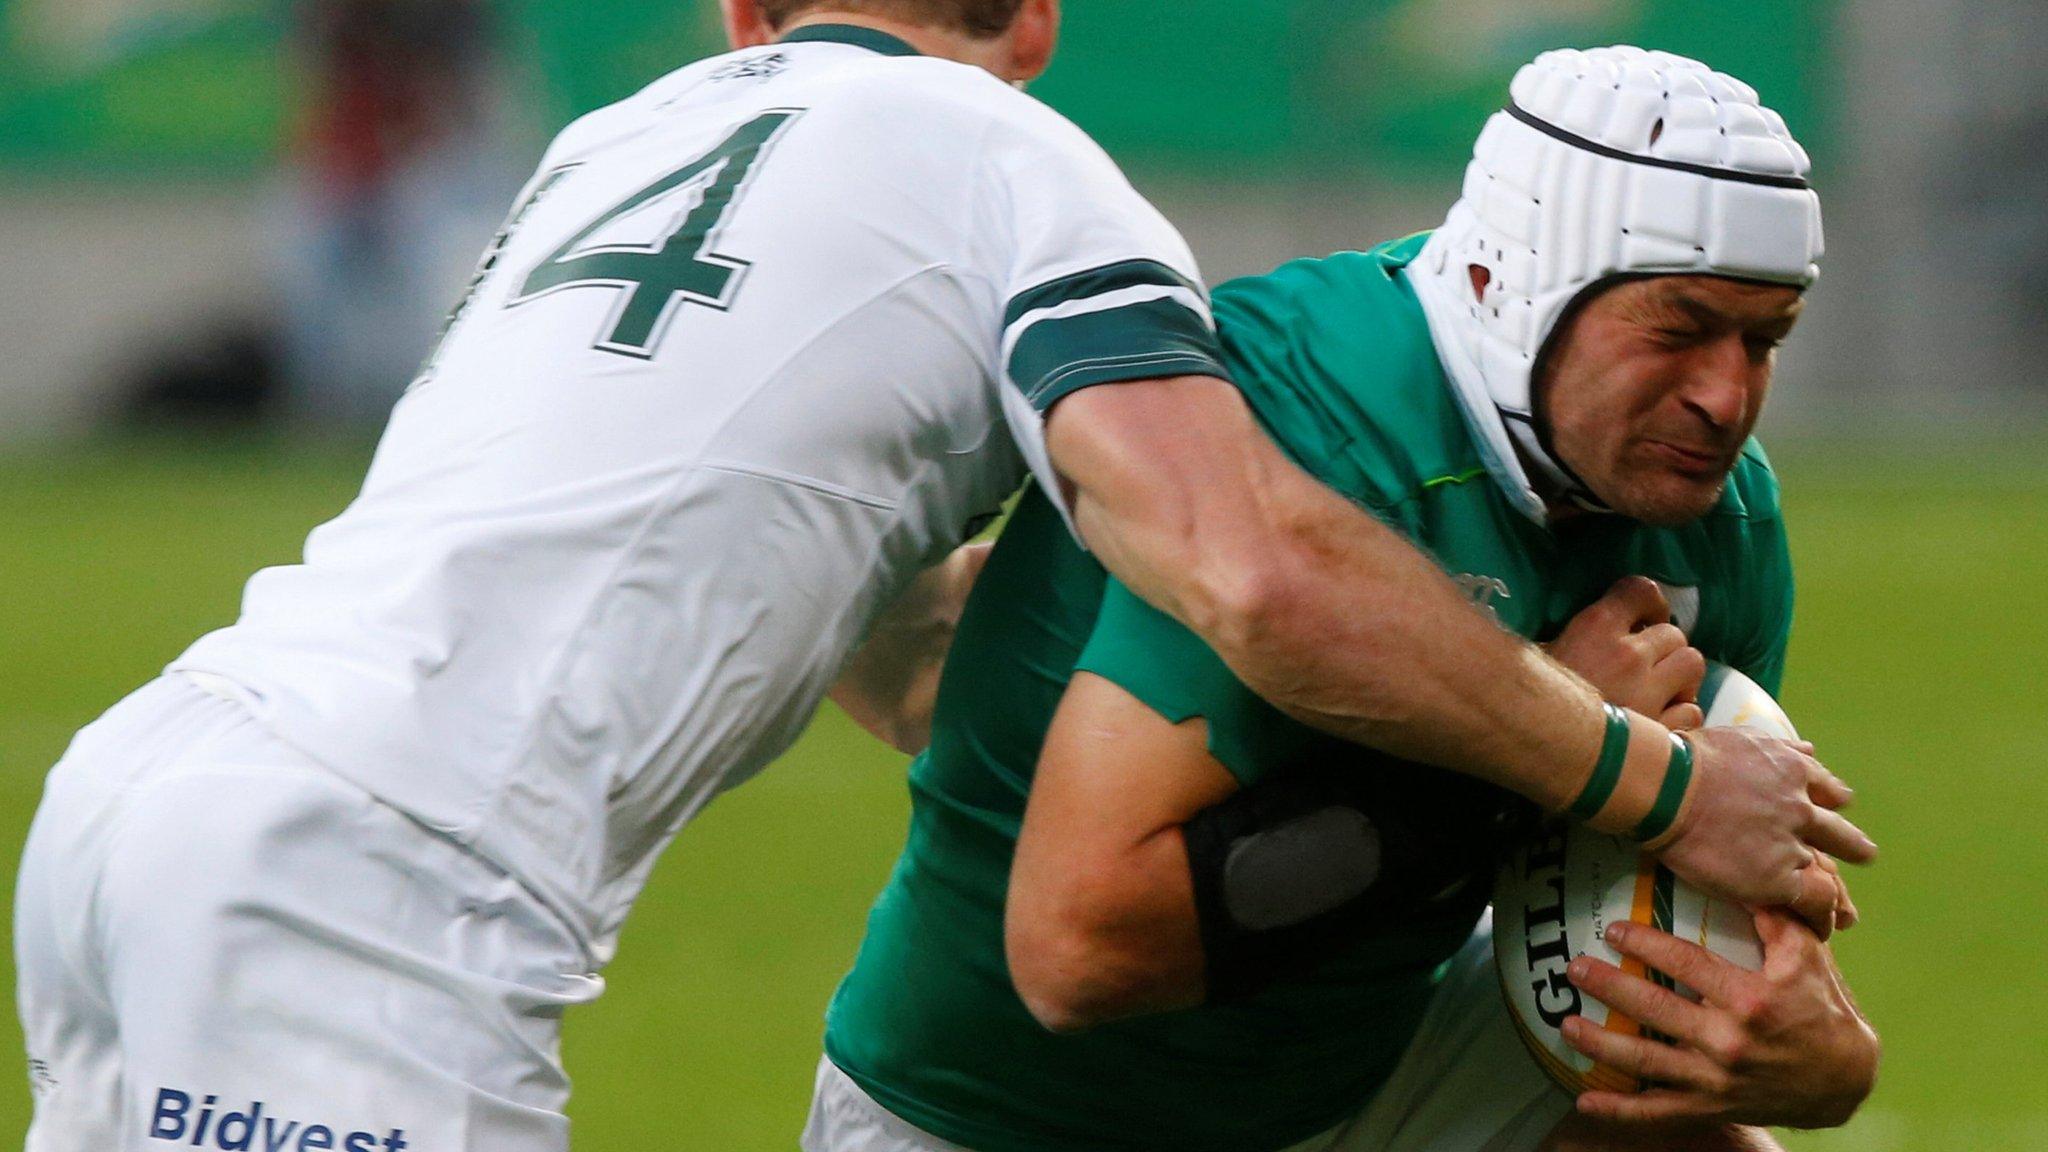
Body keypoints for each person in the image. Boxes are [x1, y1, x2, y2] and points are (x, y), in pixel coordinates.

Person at [14, 2, 1864, 1144]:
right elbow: (1240, 555)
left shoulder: (618, 141)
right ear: (1033, 25)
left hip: (148, 793)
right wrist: (1634, 770)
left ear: (749, 14)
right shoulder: (1013, 164)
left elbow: (896, 644)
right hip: (377, 890)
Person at [811, 47, 1878, 1152]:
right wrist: (1547, 742)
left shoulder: (1716, 520)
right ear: (1497, 285)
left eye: (1762, 340)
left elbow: (1674, 909)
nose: (1724, 397)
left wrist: (1816, 1054)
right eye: (1676, 328)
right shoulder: (1300, 427)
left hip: (1360, 1072)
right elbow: (1079, 952)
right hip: (1008, 1111)